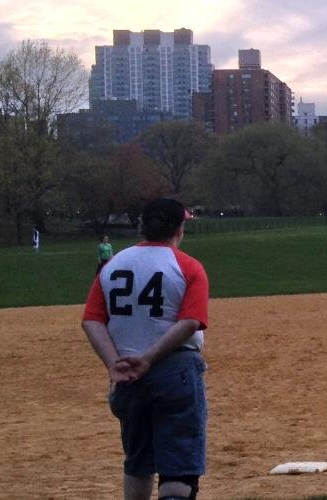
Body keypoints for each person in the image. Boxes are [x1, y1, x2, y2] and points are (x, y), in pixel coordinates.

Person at [81, 198, 210, 500]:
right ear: (178, 229)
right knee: (179, 467)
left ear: (142, 227)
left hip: (126, 377)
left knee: (138, 463)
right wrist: (149, 358)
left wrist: (114, 363)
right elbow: (191, 322)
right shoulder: (188, 267)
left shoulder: (112, 265)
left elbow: (91, 320)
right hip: (174, 371)